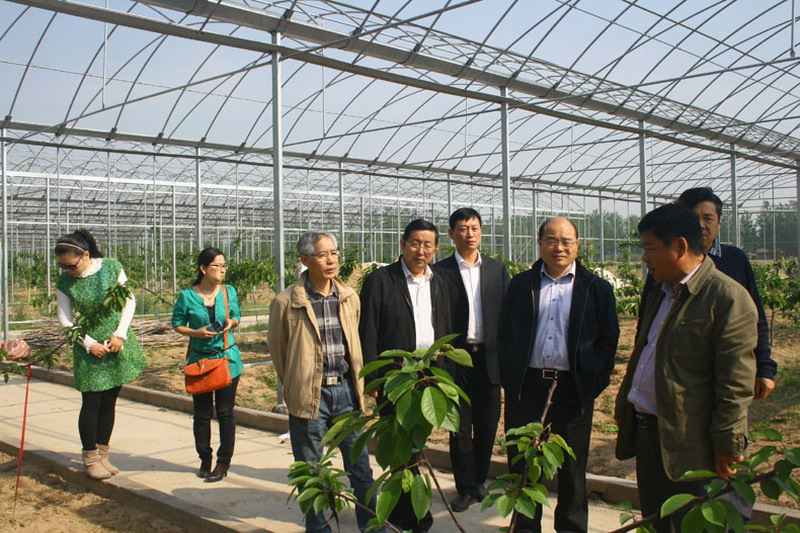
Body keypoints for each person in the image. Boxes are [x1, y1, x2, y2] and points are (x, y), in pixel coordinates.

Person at [615, 204, 757, 532]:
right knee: (659, 521)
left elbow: (735, 384)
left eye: (650, 248)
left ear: (679, 246)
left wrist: (728, 446)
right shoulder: (660, 293)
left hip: (694, 446)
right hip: (652, 436)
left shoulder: (726, 298)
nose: (644, 259)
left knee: (697, 522)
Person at [498, 217, 619, 533]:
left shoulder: (596, 289)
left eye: (566, 241)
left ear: (577, 245)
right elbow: (504, 333)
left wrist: (592, 382)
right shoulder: (521, 285)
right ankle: (525, 528)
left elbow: (608, 341)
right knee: (524, 466)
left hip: (572, 390)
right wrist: (511, 377)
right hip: (528, 388)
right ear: (540, 244)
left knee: (572, 470)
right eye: (551, 240)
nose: (559, 247)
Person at [268, 232, 379, 533]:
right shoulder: (286, 302)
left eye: (334, 253)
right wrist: (296, 385)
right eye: (322, 254)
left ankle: (372, 526)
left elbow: (355, 342)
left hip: (347, 392)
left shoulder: (349, 297)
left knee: (360, 467)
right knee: (311, 471)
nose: (331, 260)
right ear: (305, 260)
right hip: (310, 394)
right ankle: (318, 529)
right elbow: (279, 353)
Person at [638, 187, 777, 400]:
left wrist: (765, 368)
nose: (701, 225)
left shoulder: (734, 261)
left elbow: (756, 317)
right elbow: (647, 321)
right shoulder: (662, 269)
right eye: (694, 219)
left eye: (708, 218)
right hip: (677, 380)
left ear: (719, 222)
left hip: (719, 372)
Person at [359, 219, 452, 533]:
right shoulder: (382, 280)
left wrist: (444, 374)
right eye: (415, 243)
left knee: (417, 442)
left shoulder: (439, 281)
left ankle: (409, 511)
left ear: (436, 249)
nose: (420, 250)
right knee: (399, 447)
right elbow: (368, 330)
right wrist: (372, 378)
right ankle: (408, 516)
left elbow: (445, 326)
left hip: (428, 376)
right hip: (394, 377)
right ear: (402, 244)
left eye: (428, 245)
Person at [54, 229, 147, 480]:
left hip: (116, 343)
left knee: (109, 401)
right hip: (89, 349)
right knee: (91, 402)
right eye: (62, 266)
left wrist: (120, 334)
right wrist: (88, 344)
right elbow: (65, 320)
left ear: (85, 255)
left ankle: (103, 455)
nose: (68, 270)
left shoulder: (111, 267)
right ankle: (90, 458)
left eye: (71, 265)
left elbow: (128, 301)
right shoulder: (65, 283)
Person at [432, 207, 508, 512]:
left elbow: (507, 312)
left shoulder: (496, 269)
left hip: (489, 359)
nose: (469, 234)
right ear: (452, 234)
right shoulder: (440, 272)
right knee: (460, 428)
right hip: (457, 360)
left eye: (474, 228)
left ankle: (479, 481)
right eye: (463, 229)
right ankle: (465, 487)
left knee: (488, 426)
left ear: (481, 232)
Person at [172, 247, 242, 483]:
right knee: (202, 414)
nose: (222, 270)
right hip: (200, 362)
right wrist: (195, 332)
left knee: (225, 412)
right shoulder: (187, 296)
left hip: (227, 359)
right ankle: (204, 457)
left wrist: (230, 324)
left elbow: (236, 316)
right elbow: (177, 323)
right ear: (203, 269)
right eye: (217, 265)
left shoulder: (228, 291)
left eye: (224, 265)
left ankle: (223, 462)